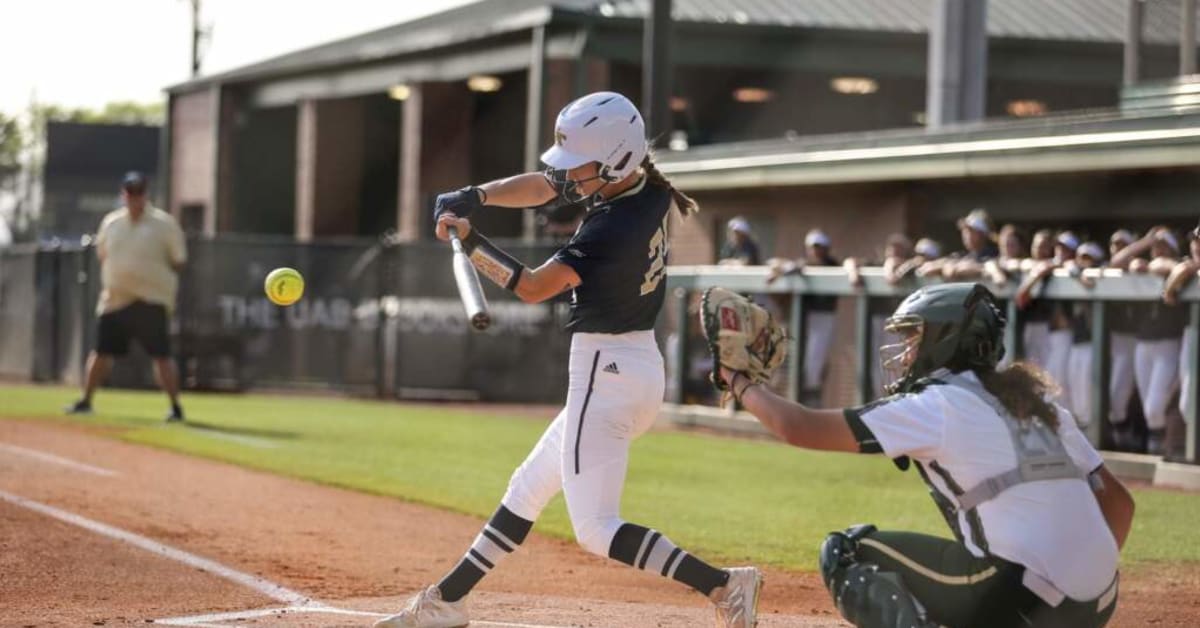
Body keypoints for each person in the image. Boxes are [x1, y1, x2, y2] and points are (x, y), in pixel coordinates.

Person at [375, 92, 761, 628]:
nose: (569, 177)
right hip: (630, 367)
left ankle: (723, 585)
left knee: (596, 528)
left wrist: (473, 242)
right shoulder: (640, 184)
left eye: (579, 166)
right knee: (527, 488)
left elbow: (533, 288)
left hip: (606, 373)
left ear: (614, 159)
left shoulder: (614, 228)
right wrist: (474, 196)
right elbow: (543, 184)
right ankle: (448, 600)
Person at [711, 283, 1132, 628]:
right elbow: (1120, 504)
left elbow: (799, 427)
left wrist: (738, 382)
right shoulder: (1039, 404)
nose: (905, 351)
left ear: (945, 340)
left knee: (845, 551)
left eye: (914, 337)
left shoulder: (939, 404)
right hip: (1095, 605)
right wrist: (1077, 571)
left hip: (1018, 597)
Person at [66, 172, 186, 421]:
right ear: (124, 195)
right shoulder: (111, 223)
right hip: (116, 300)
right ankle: (86, 400)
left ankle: (175, 407)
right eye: (130, 193)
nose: (135, 198)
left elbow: (178, 260)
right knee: (100, 353)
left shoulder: (164, 224)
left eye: (139, 193)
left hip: (151, 300)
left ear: (146, 194)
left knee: (162, 356)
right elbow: (102, 255)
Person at [1113, 227, 1187, 455]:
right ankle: (1157, 448)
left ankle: (1165, 450)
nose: (1157, 248)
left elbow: (1169, 265)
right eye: (1156, 244)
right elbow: (1117, 262)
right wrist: (1145, 241)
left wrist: (1152, 264)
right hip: (1143, 344)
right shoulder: (1142, 264)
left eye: (1163, 243)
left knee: (1156, 407)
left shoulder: (1179, 265)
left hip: (1168, 344)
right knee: (1148, 408)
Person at [1105, 229, 1141, 449]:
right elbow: (1115, 262)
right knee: (1116, 396)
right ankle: (1122, 440)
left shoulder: (1141, 268)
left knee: (1141, 396)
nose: (1119, 249)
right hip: (1117, 340)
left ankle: (1138, 439)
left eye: (1123, 245)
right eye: (1115, 245)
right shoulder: (1107, 270)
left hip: (1142, 339)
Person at [1065, 242, 1106, 425]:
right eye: (1081, 258)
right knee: (1074, 388)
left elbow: (1091, 284)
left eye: (1088, 259)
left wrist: (1081, 276)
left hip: (1095, 343)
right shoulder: (1074, 272)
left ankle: (1091, 430)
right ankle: (1081, 426)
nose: (1083, 262)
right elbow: (1067, 265)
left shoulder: (1102, 275)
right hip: (1077, 341)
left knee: (1089, 389)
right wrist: (1077, 273)